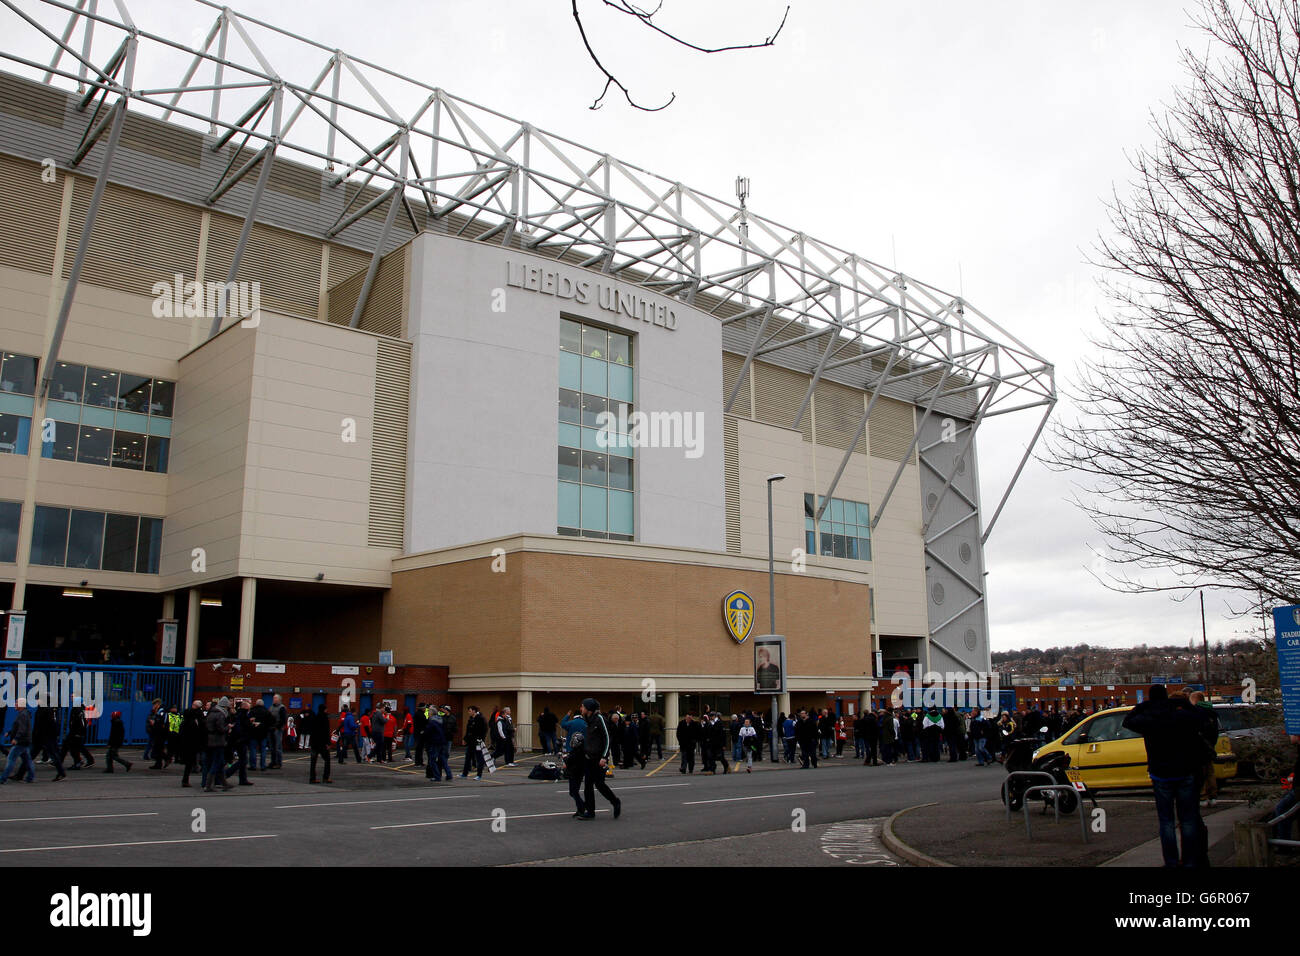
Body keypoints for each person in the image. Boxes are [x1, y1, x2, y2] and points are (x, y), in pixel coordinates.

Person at [1122, 685, 1207, 867]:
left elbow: (1128, 720)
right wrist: (1180, 703)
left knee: (1166, 822)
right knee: (1188, 820)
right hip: (1185, 770)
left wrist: (1144, 705)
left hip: (1160, 773)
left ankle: (1171, 861)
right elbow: (1201, 718)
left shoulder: (1148, 718)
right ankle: (1190, 861)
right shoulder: (1181, 715)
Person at [577, 698, 621, 820]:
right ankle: (590, 812)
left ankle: (615, 801)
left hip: (598, 758)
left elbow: (607, 738)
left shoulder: (600, 719)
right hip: (589, 758)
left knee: (600, 784)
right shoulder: (588, 720)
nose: (581, 708)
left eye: (583, 706)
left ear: (589, 708)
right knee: (588, 786)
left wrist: (604, 757)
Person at [0, 698, 35, 785]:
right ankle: (30, 777)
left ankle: (3, 778)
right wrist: (10, 732)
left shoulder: (22, 715)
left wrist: (16, 738)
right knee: (27, 760)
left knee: (11, 759)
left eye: (16, 703)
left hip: (21, 742)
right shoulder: (24, 713)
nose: (15, 704)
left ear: (21, 705)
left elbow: (22, 729)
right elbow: (20, 727)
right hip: (25, 741)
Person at [202, 698, 233, 792]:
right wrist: (228, 727)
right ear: (225, 706)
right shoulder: (220, 714)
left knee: (219, 763)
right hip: (218, 741)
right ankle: (208, 785)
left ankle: (224, 784)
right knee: (217, 763)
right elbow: (220, 728)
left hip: (210, 740)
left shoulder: (211, 713)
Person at [564, 721, 588, 817]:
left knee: (573, 791)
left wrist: (566, 759)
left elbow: (572, 761)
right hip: (575, 772)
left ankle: (582, 807)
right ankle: (580, 807)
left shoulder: (579, 752)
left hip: (576, 772)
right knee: (573, 792)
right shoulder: (577, 751)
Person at [179, 699, 205, 787]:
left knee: (190, 762)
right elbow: (202, 728)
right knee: (196, 759)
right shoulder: (198, 716)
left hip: (186, 741)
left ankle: (186, 778)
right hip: (194, 741)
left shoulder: (186, 716)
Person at [423, 707, 451, 782]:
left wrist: (423, 734)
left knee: (432, 759)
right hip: (442, 741)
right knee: (442, 759)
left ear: (431, 713)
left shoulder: (431, 721)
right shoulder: (441, 720)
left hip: (435, 742)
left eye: (429, 713)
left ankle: (437, 776)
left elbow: (427, 732)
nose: (428, 714)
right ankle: (449, 774)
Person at [460, 705, 488, 780]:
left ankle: (479, 775)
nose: (468, 712)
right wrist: (465, 739)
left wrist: (481, 739)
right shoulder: (471, 719)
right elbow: (468, 730)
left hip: (477, 742)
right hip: (470, 742)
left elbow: (484, 730)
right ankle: (464, 773)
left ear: (474, 711)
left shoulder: (481, 719)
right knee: (468, 757)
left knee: (479, 758)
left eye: (470, 711)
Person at [307, 704, 332, 784]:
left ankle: (312, 778)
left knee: (313, 761)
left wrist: (311, 742)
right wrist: (328, 743)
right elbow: (326, 731)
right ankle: (325, 777)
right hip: (322, 743)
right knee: (327, 760)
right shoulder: (325, 718)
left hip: (314, 743)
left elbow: (311, 730)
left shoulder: (315, 717)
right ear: (325, 709)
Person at [268, 694, 287, 769]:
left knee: (278, 747)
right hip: (271, 729)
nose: (274, 699)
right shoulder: (271, 707)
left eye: (275, 698)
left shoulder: (282, 708)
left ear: (279, 699)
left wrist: (277, 727)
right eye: (273, 698)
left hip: (277, 729)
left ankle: (278, 763)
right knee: (272, 747)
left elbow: (283, 719)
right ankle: (273, 762)